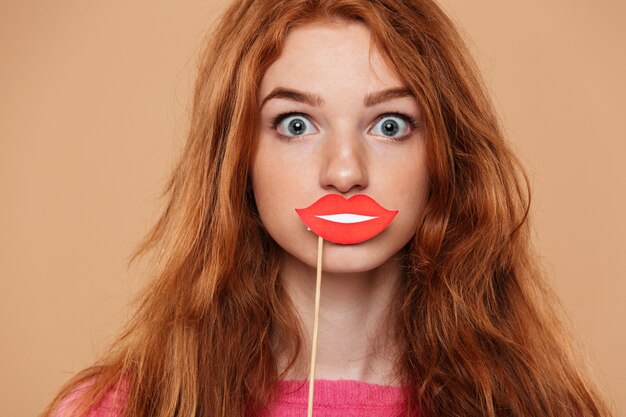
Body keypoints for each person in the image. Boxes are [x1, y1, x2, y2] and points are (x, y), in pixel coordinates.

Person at [42, 0, 614, 416]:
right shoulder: (118, 409)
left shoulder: (537, 407)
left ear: (444, 155)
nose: (345, 172)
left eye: (390, 125)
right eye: (296, 124)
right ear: (237, 154)